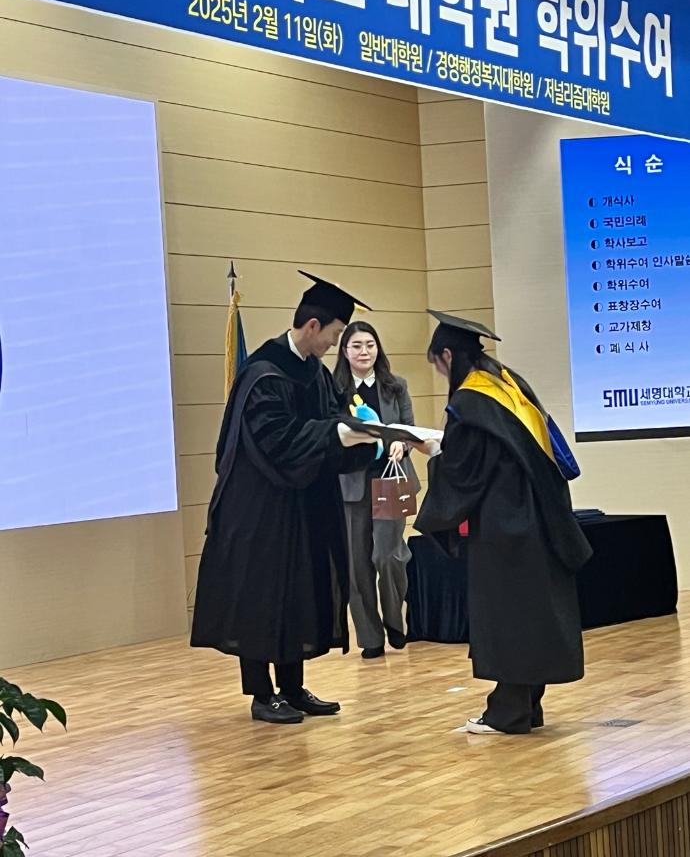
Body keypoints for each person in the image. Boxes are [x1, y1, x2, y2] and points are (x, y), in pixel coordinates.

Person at [191, 271, 377, 725]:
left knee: (299, 591)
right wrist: (335, 434)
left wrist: (362, 436)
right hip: (259, 509)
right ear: (313, 326)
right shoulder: (263, 373)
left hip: (302, 504)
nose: (334, 344)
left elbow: (332, 421)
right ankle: (262, 693)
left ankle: (292, 688)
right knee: (261, 595)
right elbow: (278, 440)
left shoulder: (314, 372)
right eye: (334, 334)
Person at [413, 311, 592, 735]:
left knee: (509, 615)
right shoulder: (509, 385)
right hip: (538, 516)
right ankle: (528, 705)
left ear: (447, 355)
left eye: (438, 365)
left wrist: (434, 452)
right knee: (531, 612)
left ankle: (508, 712)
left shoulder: (471, 401)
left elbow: (464, 469)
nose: (441, 374)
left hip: (505, 524)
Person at [334, 322, 421, 659]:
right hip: (351, 484)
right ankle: (370, 637)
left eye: (370, 345)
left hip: (390, 480)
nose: (364, 352)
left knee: (388, 555)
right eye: (356, 346)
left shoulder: (395, 386)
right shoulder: (334, 390)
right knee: (357, 564)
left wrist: (402, 443)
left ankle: (395, 619)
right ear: (345, 351)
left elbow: (410, 428)